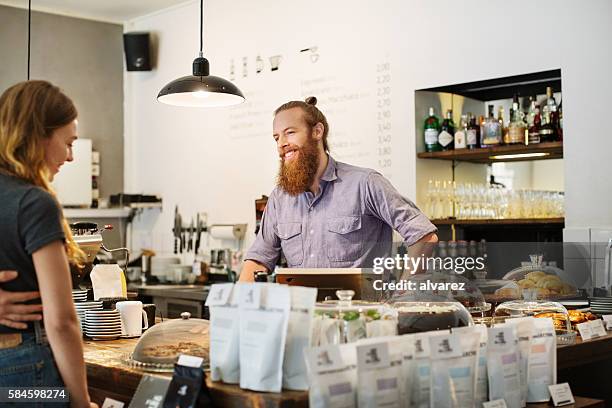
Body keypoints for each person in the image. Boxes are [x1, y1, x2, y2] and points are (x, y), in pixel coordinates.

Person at [240, 97, 438, 282]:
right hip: (302, 316)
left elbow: (424, 236)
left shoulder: (366, 184)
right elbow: (258, 260)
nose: (282, 143)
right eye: (276, 137)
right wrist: (234, 308)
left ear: (318, 131)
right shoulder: (279, 199)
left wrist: (403, 292)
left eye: (290, 132)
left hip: (364, 316)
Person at [0, 80, 97, 408]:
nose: (70, 157)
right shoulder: (34, 203)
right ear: (39, 135)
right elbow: (61, 320)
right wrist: (82, 401)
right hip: (26, 372)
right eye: (68, 143)